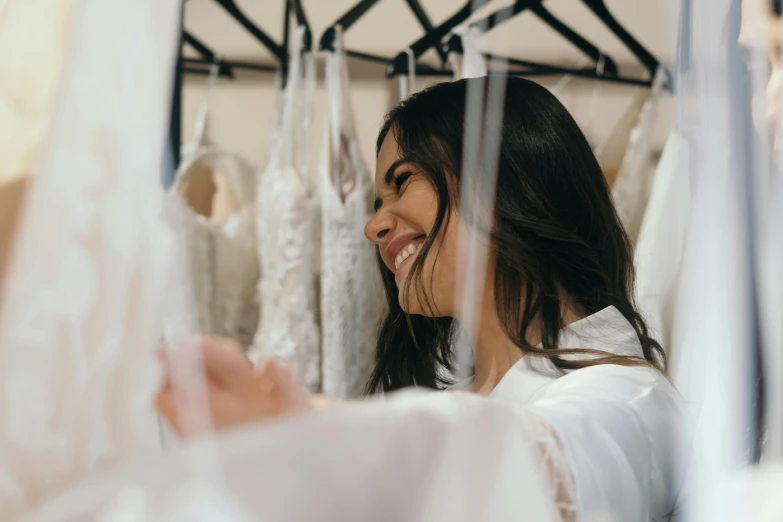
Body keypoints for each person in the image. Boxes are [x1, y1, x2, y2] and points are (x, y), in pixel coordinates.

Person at [156, 77, 685, 522]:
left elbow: (535, 466)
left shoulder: (629, 399)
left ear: (499, 180)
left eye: (402, 182)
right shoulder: (454, 393)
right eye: (376, 200)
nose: (372, 226)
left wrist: (306, 431)